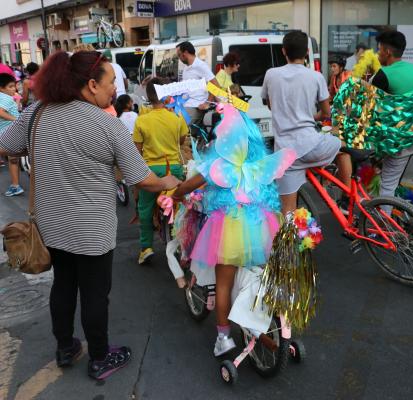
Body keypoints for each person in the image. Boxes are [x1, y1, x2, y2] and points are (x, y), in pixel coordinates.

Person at [0, 51, 180, 381]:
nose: (115, 88)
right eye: (111, 82)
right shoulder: (107, 125)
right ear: (92, 84)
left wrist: (39, 147)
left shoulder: (36, 113)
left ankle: (66, 347)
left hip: (50, 226)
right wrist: (169, 181)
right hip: (91, 230)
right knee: (95, 294)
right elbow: (142, 179)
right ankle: (100, 357)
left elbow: (5, 146)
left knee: (64, 287)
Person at [171, 103, 293, 357]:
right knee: (257, 276)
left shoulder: (219, 163)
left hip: (228, 227)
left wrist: (174, 194)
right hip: (262, 226)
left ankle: (224, 338)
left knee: (223, 283)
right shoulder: (259, 161)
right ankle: (258, 323)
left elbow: (187, 186)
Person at [261, 31, 351, 215]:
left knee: (288, 211)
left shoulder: (271, 74)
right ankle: (347, 198)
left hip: (286, 154)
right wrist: (311, 117)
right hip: (312, 145)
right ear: (307, 52)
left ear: (284, 51)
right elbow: (326, 113)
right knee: (344, 148)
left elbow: (271, 104)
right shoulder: (316, 76)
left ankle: (289, 243)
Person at [370, 30, 413, 200]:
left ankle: (384, 223)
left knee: (387, 185)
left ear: (387, 52)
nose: (378, 54)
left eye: (379, 50)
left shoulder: (384, 75)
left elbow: (369, 110)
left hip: (405, 138)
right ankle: (398, 209)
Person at [133, 78, 188, 265]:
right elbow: (182, 141)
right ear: (165, 93)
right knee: (180, 206)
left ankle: (146, 247)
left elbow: (137, 149)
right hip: (174, 169)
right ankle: (183, 244)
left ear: (148, 96)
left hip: (151, 171)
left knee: (145, 208)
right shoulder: (177, 117)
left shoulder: (142, 120)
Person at [176, 41, 221, 131]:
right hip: (185, 105)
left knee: (178, 129)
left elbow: (216, 85)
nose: (179, 58)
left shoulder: (200, 65)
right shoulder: (186, 68)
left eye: (179, 55)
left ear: (185, 53)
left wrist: (207, 102)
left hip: (195, 107)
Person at [0, 73, 23, 196]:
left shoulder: (5, 98)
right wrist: (16, 119)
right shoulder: (5, 98)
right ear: (1, 88)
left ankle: (15, 185)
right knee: (13, 159)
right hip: (10, 133)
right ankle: (15, 185)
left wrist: (16, 120)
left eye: (14, 86)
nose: (14, 89)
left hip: (9, 134)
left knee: (13, 159)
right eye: (10, 87)